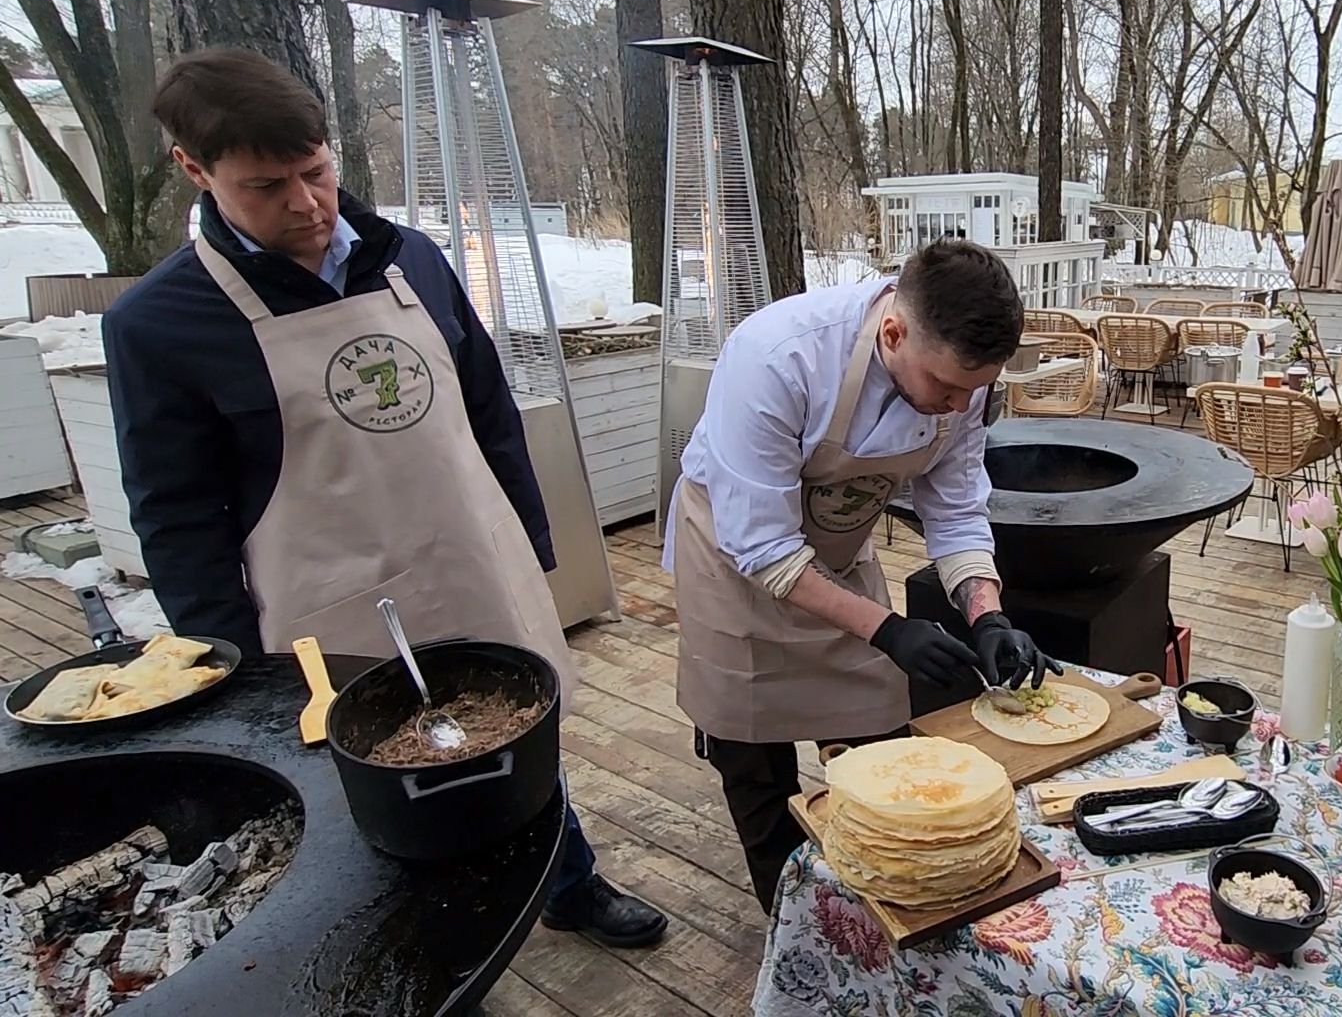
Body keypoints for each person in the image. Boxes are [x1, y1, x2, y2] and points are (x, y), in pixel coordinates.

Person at [102, 48, 667, 948]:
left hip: (468, 562)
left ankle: (569, 880)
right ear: (194, 170)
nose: (305, 205)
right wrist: (232, 658)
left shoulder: (413, 260)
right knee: (380, 798)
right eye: (265, 187)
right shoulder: (160, 324)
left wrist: (529, 545)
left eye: (316, 171)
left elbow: (489, 412)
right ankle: (425, 951)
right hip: (334, 613)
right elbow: (173, 510)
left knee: (517, 745)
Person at [666, 239, 1056, 912]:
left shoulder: (960, 387)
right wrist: (887, 629)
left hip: (839, 556)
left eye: (975, 389)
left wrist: (986, 611)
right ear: (894, 331)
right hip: (733, 562)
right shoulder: (776, 357)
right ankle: (795, 924)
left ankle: (884, 902)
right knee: (755, 765)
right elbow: (764, 549)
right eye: (946, 386)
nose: (958, 406)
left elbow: (957, 508)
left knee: (882, 745)